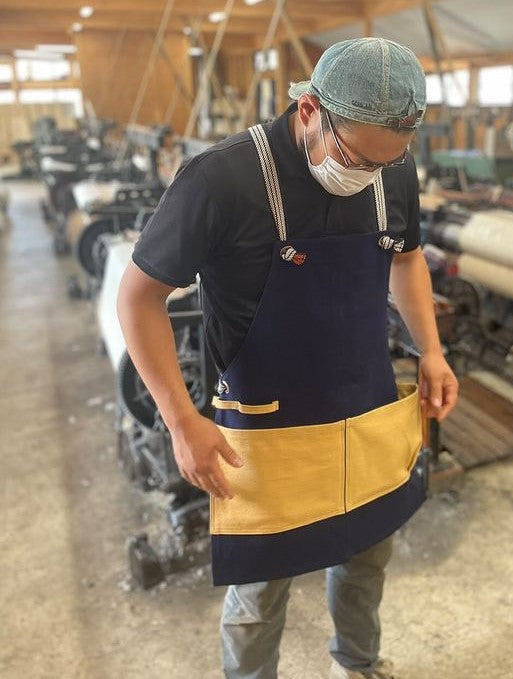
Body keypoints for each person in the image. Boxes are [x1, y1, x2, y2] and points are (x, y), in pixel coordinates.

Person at [117, 37, 458, 679]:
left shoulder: (390, 168)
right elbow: (138, 298)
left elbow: (407, 257)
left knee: (367, 557)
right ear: (309, 110)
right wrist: (182, 419)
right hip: (265, 424)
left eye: (386, 163)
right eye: (357, 158)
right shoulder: (222, 179)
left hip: (365, 406)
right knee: (260, 589)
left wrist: (431, 350)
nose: (369, 175)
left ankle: (356, 665)